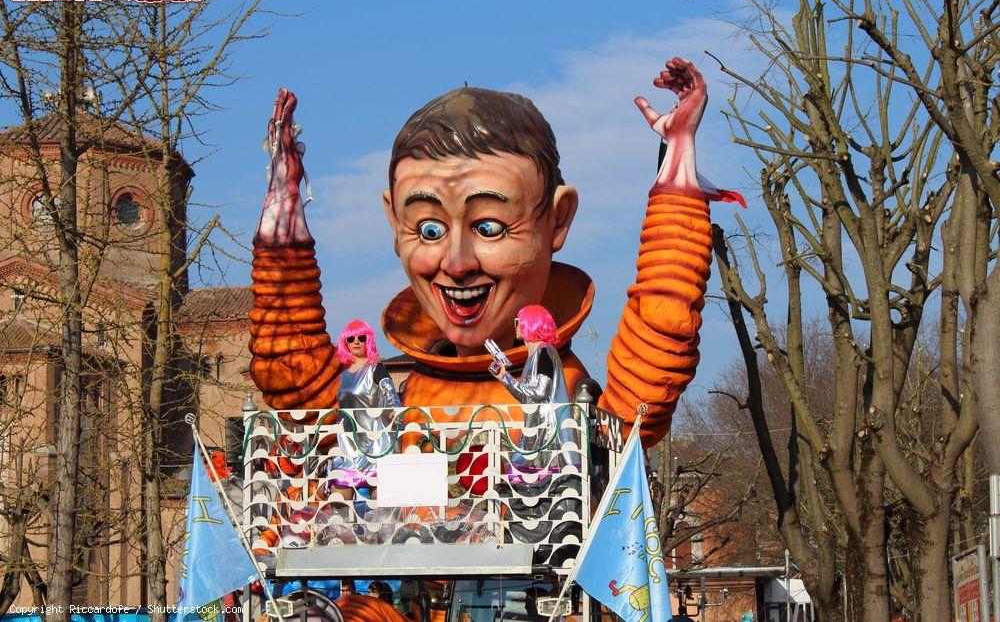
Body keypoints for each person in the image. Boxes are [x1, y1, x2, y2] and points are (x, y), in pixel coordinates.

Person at [249, 56, 742, 449]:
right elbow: (299, 398)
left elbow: (650, 375)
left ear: (558, 220)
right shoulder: (396, 396)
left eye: (489, 226)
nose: (457, 263)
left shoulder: (569, 396)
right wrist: (282, 224)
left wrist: (679, 161)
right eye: (426, 229)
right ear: (392, 220)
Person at [489, 304, 580, 479]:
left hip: (548, 436)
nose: (515, 326)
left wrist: (507, 379)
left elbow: (539, 391)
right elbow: (527, 397)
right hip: (537, 432)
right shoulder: (538, 355)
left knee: (520, 478)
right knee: (522, 480)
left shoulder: (544, 353)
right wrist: (504, 377)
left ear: (531, 324)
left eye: (518, 321)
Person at [328, 320, 401, 499]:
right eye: (350, 339)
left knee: (381, 500)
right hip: (349, 443)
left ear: (367, 340)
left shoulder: (376, 367)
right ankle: (343, 528)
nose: (356, 342)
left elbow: (390, 392)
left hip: (377, 441)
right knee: (339, 496)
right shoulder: (341, 375)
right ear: (345, 343)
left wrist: (395, 409)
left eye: (361, 337)